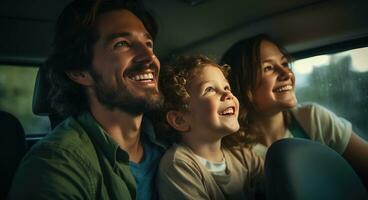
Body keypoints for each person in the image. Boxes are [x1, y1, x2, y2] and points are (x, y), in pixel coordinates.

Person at [8, 0, 167, 199]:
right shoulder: (55, 164)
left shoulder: (171, 141)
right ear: (80, 72)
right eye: (122, 44)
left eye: (148, 43)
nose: (148, 56)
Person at [221, 34, 368, 187]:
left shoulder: (312, 119)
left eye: (284, 64)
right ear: (243, 84)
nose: (287, 74)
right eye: (269, 68)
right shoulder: (231, 153)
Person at [157, 55, 264, 200]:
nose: (227, 94)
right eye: (210, 89)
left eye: (226, 87)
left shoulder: (245, 158)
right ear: (180, 120)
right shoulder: (179, 165)